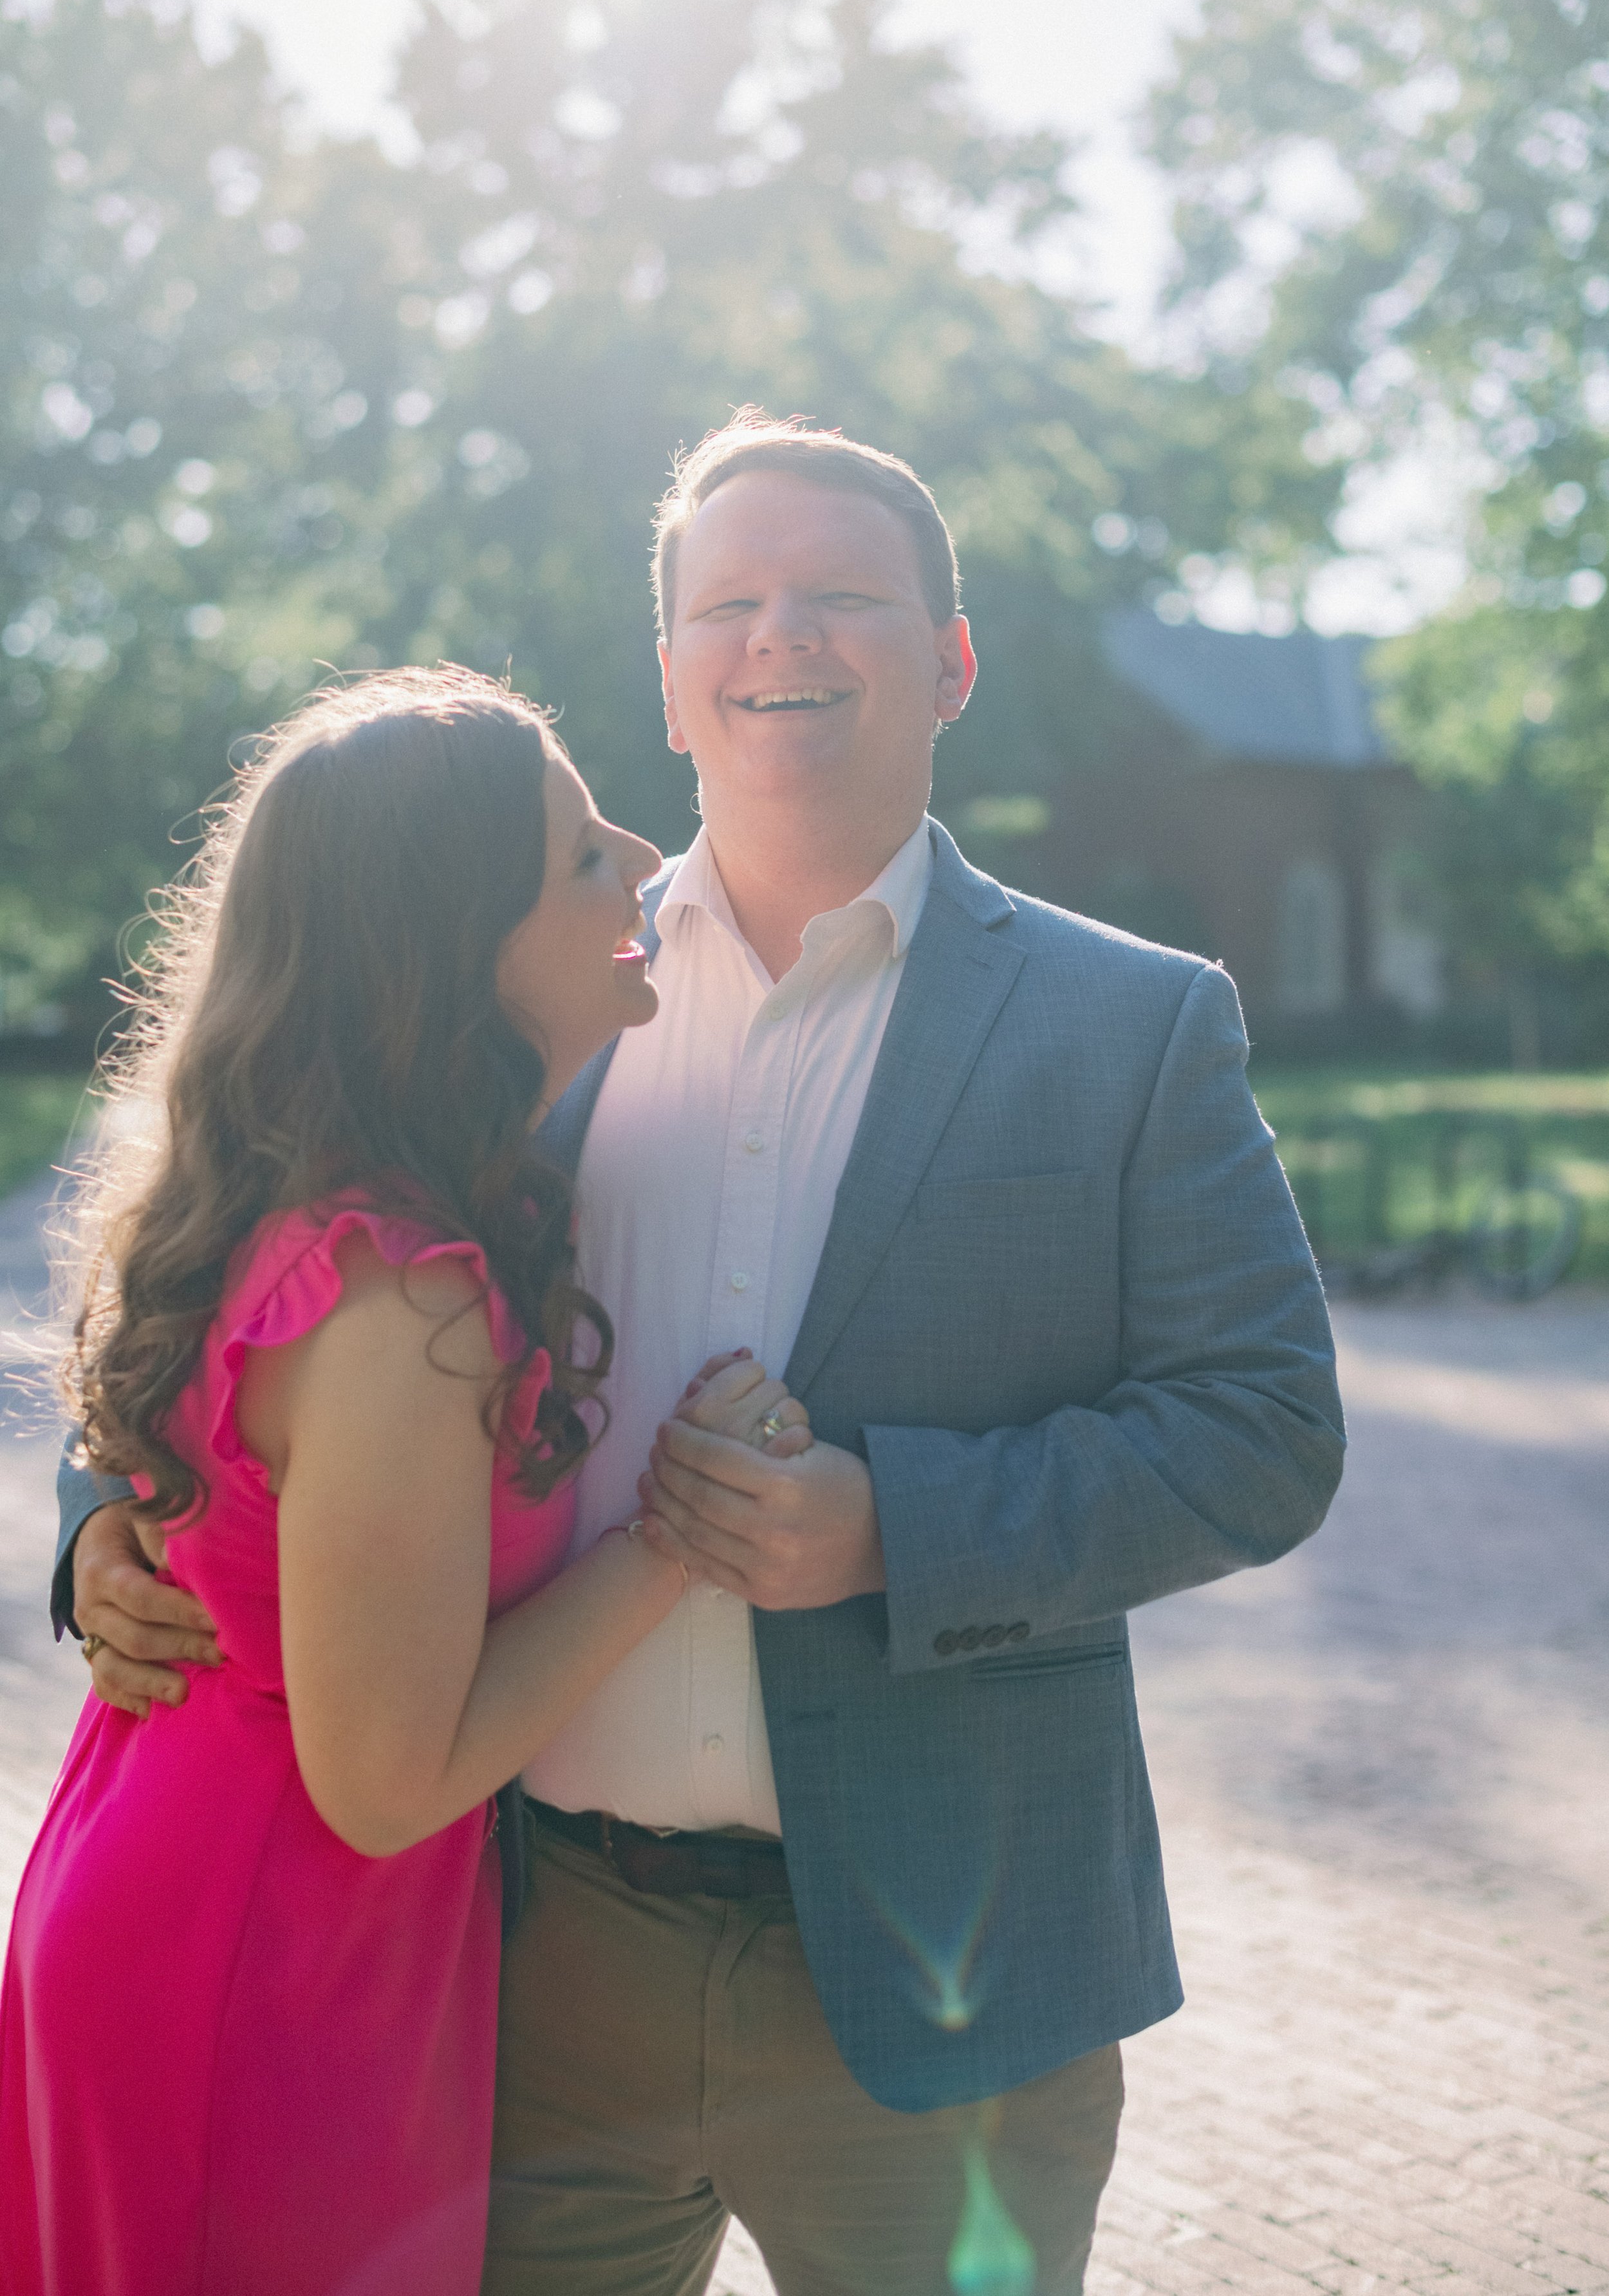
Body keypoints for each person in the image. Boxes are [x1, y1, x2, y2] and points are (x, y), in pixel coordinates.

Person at [57, 417, 1346, 2296]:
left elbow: (1262, 1428)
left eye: (840, 594)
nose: (780, 635)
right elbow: (233, 1219)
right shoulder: (517, 979)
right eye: (726, 601)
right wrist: (102, 1519)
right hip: (521, 1958)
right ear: (666, 674)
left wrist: (891, 1520)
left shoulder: (1130, 1023)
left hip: (949, 1965)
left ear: (951, 660)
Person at [3, 672, 810, 2296]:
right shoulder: (398, 1294)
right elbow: (384, 1781)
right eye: (582, 856)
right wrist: (672, 1535)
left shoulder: (334, 1196)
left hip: (228, 1898)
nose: (640, 860)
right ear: (456, 948)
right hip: (265, 1961)